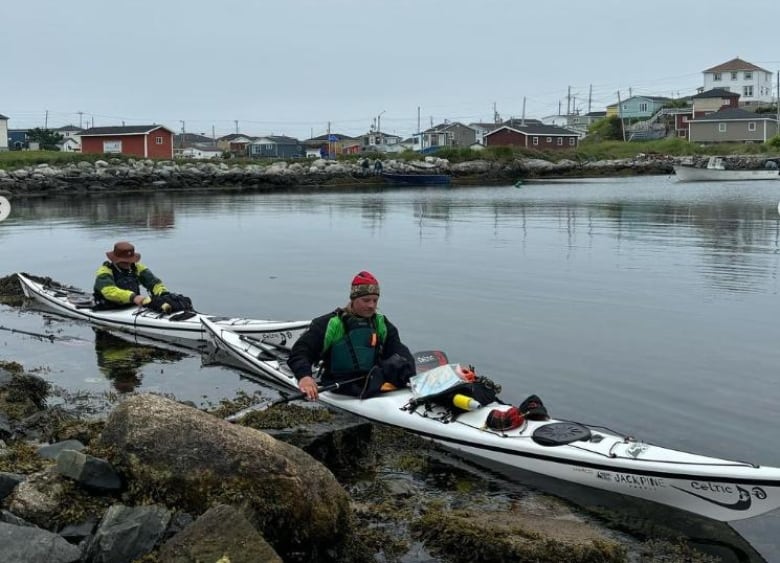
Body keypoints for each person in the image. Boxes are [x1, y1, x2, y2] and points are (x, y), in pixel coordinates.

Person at [287, 271, 415, 400]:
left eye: (375, 300)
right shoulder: (331, 324)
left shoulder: (381, 324)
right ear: (353, 299)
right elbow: (299, 353)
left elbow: (398, 350)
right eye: (366, 300)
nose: (371, 305)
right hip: (339, 385)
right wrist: (305, 377)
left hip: (373, 382)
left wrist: (410, 372)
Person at [93, 241, 169, 308]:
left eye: (130, 260)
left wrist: (163, 294)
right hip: (109, 307)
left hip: (133, 305)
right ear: (115, 259)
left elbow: (154, 283)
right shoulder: (104, 271)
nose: (128, 263)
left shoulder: (137, 268)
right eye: (124, 261)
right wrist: (133, 297)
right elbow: (109, 291)